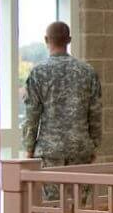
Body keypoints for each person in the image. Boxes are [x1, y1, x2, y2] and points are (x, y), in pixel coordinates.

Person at [20, 21, 101, 201]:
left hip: (50, 151)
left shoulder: (38, 73)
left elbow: (31, 115)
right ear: (69, 40)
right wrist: (94, 145)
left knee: (53, 207)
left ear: (46, 40)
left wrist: (28, 148)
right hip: (81, 149)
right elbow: (95, 113)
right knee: (79, 206)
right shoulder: (87, 72)